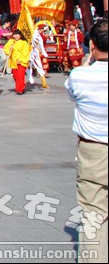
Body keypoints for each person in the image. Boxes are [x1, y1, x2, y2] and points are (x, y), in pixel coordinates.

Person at [64, 19, 107, 263]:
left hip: (94, 150)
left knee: (94, 213)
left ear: (91, 45)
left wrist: (84, 64)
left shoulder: (80, 76)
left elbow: (71, 93)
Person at [5, 29, 31, 95]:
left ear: (20, 35)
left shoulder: (24, 42)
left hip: (21, 62)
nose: (15, 36)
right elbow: (6, 48)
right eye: (14, 35)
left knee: (20, 76)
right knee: (15, 76)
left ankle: (20, 89)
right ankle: (21, 86)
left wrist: (21, 59)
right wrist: (9, 50)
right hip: (14, 62)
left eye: (17, 35)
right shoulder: (11, 41)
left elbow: (26, 52)